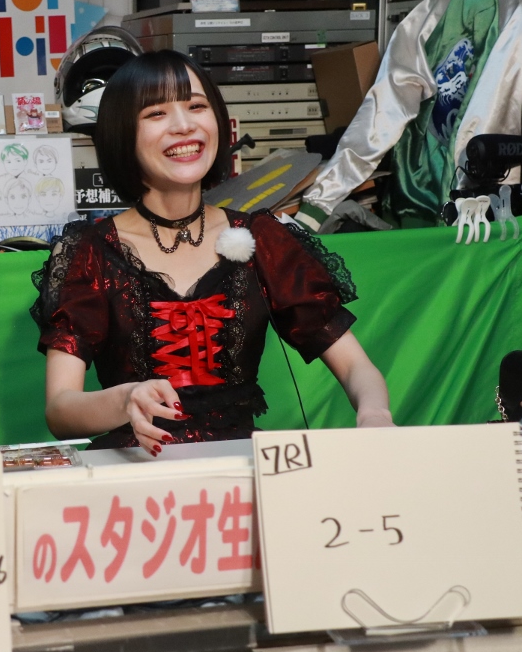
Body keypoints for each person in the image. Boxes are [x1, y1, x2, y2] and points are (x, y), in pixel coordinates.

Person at [31, 50, 393, 456]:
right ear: (121, 133)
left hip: (241, 471)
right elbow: (60, 410)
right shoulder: (91, 251)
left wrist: (374, 414)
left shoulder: (261, 238)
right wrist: (125, 399)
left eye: (196, 106)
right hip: (134, 476)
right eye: (156, 113)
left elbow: (356, 366)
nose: (184, 126)